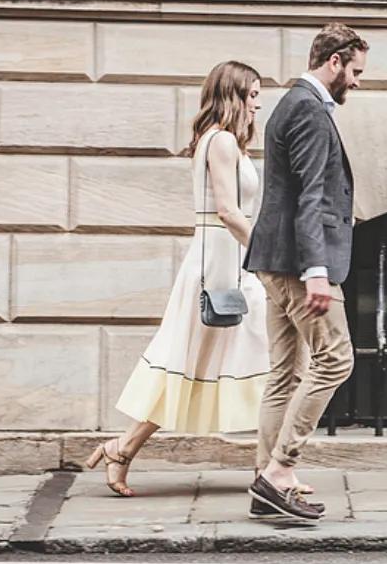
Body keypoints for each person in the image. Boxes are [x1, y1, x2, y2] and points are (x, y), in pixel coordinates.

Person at [85, 60, 270, 497]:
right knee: (206, 362)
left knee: (212, 363)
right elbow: (227, 210)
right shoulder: (222, 141)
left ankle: (123, 449)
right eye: (253, 95)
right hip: (222, 265)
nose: (258, 105)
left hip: (226, 261)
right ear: (234, 95)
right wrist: (265, 254)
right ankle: (275, 470)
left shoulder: (221, 141)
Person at [245, 23, 369, 520]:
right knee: (336, 360)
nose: (358, 82)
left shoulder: (291, 104)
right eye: (356, 71)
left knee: (285, 374)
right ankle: (279, 470)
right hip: (300, 264)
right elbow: (312, 197)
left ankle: (266, 480)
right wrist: (317, 270)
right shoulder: (310, 111)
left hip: (274, 260)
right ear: (334, 61)